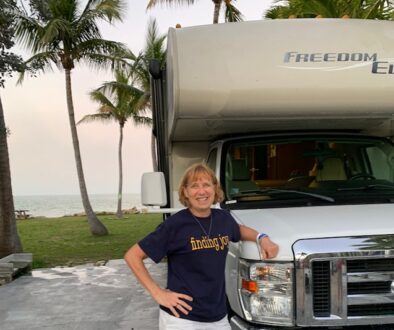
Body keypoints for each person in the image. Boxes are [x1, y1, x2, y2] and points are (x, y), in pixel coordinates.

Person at [124, 163, 279, 330]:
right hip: (181, 319)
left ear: (214, 188)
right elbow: (132, 256)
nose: (201, 191)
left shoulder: (223, 219)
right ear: (185, 192)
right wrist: (158, 293)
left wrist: (262, 238)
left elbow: (239, 230)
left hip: (218, 317)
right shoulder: (174, 225)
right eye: (194, 186)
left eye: (206, 184)